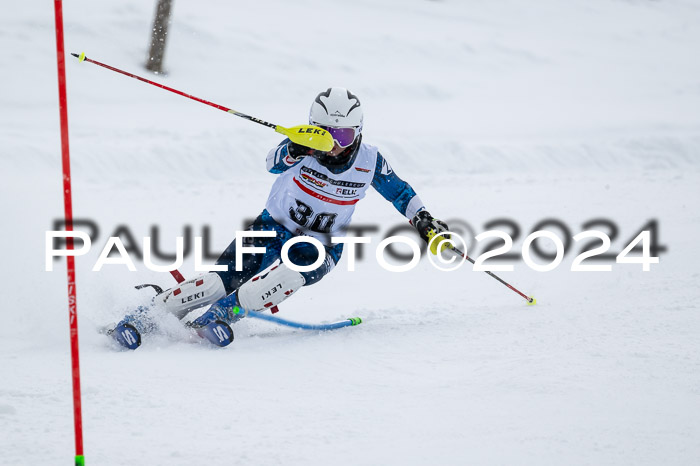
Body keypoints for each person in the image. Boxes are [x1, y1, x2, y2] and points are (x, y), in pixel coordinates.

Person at [111, 87, 450, 349]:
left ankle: (221, 316)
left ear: (357, 132)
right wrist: (298, 147)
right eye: (326, 134)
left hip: (321, 244)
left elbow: (400, 192)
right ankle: (145, 316)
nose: (333, 146)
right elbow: (272, 162)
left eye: (343, 136)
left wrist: (423, 219)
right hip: (271, 226)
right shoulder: (302, 147)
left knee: (286, 277)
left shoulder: (369, 161)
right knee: (217, 282)